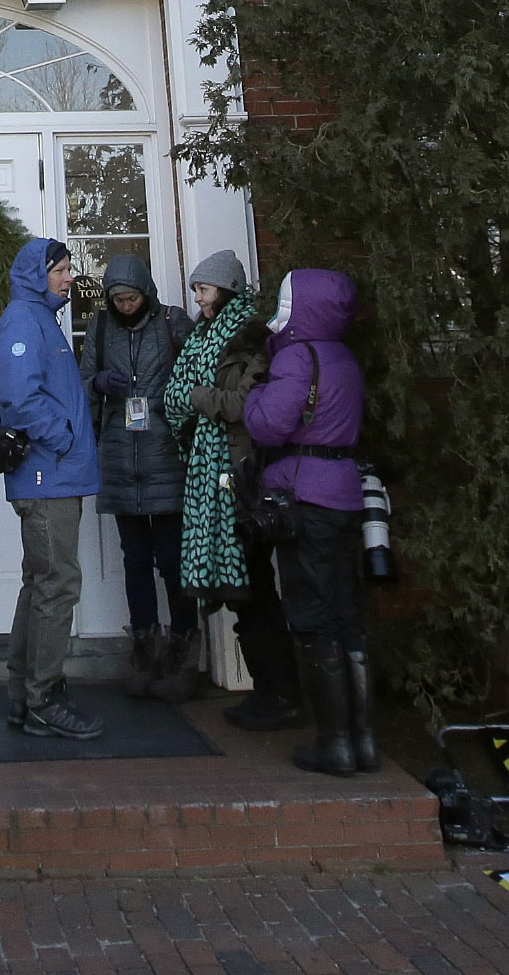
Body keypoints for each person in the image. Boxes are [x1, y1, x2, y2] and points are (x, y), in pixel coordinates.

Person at [243, 267, 374, 776]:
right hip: (344, 492)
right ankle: (361, 741)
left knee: (314, 616)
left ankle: (334, 743)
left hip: (304, 495)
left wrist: (255, 393)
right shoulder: (343, 356)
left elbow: (269, 423)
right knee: (346, 616)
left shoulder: (297, 357)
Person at [168, 249, 297, 730]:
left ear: (224, 288)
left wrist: (201, 398)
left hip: (241, 478)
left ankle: (278, 694)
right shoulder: (204, 335)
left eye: (202, 288)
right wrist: (199, 400)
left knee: (256, 588)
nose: (197, 298)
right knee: (248, 591)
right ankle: (272, 692)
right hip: (214, 477)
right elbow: (172, 394)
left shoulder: (250, 339)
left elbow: (242, 405)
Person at [0, 236, 103, 739]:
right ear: (39, 273)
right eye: (61, 269)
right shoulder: (23, 319)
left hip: (54, 474)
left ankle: (25, 696)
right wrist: (64, 438)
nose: (69, 277)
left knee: (41, 583)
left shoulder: (42, 319)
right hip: (47, 476)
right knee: (57, 585)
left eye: (69, 269)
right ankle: (43, 699)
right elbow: (19, 399)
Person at [78, 251, 192, 699]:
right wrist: (100, 385)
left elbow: (195, 372)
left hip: (165, 454)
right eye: (118, 299)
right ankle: (143, 645)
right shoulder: (102, 328)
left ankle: (183, 645)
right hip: (121, 458)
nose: (126, 305)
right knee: (135, 561)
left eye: (131, 297)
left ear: (146, 291)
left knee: (172, 558)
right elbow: (83, 381)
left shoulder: (171, 323)